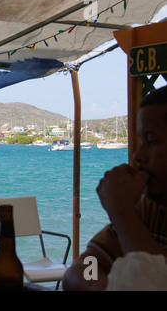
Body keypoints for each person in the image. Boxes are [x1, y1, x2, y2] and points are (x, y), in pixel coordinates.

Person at [62, 85, 167, 290]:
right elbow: (85, 266)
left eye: (152, 141)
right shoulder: (149, 210)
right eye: (140, 140)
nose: (138, 155)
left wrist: (121, 212)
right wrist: (107, 287)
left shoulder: (130, 214)